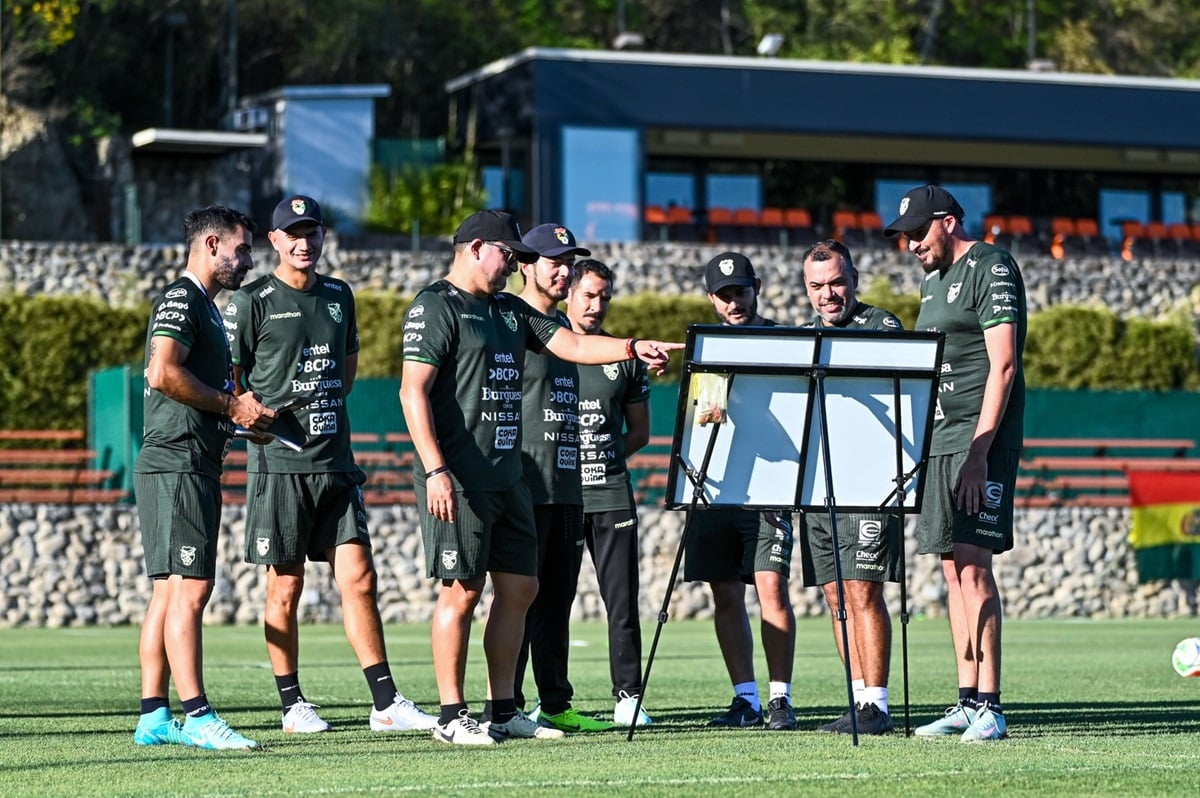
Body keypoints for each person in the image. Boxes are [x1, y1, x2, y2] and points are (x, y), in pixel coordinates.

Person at [398, 209, 679, 746]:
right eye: (509, 254)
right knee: (461, 592)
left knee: (521, 588)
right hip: (458, 476)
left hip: (509, 478)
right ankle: (452, 716)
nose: (513, 265)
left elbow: (571, 345)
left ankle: (501, 709)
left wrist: (630, 347)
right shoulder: (436, 305)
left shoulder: (508, 310)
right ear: (476, 248)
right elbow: (411, 392)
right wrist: (435, 468)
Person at [225, 195, 436, 735]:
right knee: (285, 587)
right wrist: (260, 418)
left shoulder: (341, 295)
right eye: (292, 233)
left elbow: (345, 375)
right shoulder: (251, 302)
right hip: (279, 465)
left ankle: (385, 702)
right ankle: (293, 703)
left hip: (337, 463)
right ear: (273, 241)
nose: (304, 242)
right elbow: (233, 383)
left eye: (312, 231)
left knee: (361, 578)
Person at [884, 185, 1027, 742]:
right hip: (940, 441)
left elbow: (1005, 366)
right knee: (949, 569)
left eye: (919, 232)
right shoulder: (931, 280)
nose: (912, 244)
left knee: (973, 567)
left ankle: (991, 705)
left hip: (979, 442)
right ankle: (965, 701)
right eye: (905, 236)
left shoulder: (991, 265)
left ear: (947, 221)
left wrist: (978, 455)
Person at [133, 205, 274, 750]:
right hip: (178, 461)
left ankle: (153, 716)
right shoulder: (183, 297)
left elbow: (200, 392)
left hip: (186, 459)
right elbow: (163, 372)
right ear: (212, 245)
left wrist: (242, 419)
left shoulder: (207, 308)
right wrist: (230, 406)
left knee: (170, 593)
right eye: (241, 249)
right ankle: (196, 714)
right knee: (191, 589)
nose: (247, 259)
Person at [683, 251, 798, 731]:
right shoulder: (705, 346)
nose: (735, 302)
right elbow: (704, 415)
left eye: (741, 291)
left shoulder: (783, 341)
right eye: (724, 295)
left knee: (771, 587)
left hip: (770, 489)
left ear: (757, 290)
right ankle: (745, 700)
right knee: (725, 593)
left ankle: (780, 700)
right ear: (712, 298)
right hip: (716, 484)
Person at [509, 224, 614, 733]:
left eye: (568, 261)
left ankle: (554, 703)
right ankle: (504, 705)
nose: (563, 269)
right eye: (553, 260)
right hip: (525, 485)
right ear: (526, 264)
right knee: (518, 598)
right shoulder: (512, 318)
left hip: (568, 486)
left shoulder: (565, 330)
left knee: (558, 601)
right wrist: (636, 346)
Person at [797, 239, 904, 736]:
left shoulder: (883, 326)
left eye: (836, 282)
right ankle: (860, 699)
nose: (828, 295)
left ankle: (878, 705)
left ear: (854, 278)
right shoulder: (800, 338)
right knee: (835, 595)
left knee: (863, 591)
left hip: (870, 484)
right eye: (817, 286)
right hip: (817, 486)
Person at [564, 258, 653, 728]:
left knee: (621, 602)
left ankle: (628, 697)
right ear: (569, 294)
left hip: (612, 496)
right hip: (558, 497)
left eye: (604, 297)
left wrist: (604, 456)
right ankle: (550, 700)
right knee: (548, 604)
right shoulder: (545, 344)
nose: (596, 305)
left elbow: (639, 432)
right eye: (588, 295)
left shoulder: (625, 355)